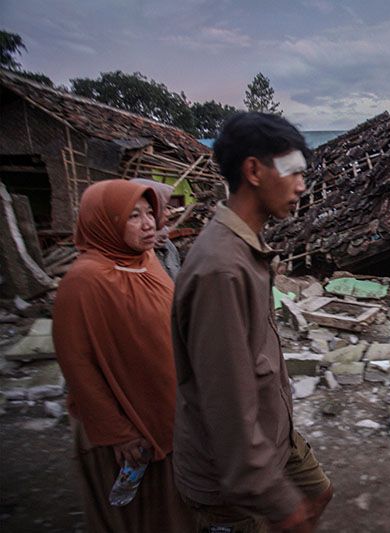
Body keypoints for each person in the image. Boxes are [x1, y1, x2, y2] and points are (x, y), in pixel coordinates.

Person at [171, 112, 333, 532]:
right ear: (253, 170)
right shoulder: (221, 270)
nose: (302, 185)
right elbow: (226, 403)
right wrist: (277, 499)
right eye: (292, 171)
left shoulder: (248, 249)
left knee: (319, 493)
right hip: (229, 476)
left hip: (274, 435)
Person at [52, 179, 193, 532]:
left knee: (172, 507)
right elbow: (78, 365)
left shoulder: (146, 261)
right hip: (129, 428)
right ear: (106, 221)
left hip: (166, 411)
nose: (150, 224)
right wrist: (119, 433)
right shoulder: (85, 281)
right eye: (133, 216)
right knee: (136, 516)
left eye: (150, 213)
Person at [131, 178, 182, 281]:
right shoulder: (133, 251)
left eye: (149, 212)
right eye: (163, 207)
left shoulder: (167, 244)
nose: (168, 213)